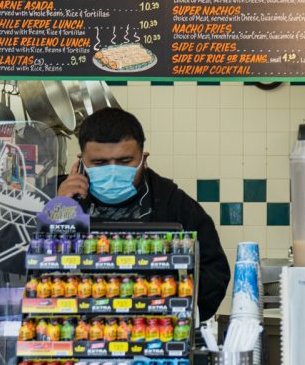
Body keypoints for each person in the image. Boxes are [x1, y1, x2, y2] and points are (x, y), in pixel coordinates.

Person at [57, 107, 230, 321]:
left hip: (154, 332)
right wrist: (59, 207)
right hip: (69, 333)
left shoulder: (175, 204)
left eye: (124, 161)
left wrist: (162, 291)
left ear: (143, 158)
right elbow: (11, 264)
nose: (112, 170)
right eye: (99, 163)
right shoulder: (55, 194)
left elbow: (215, 274)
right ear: (81, 160)